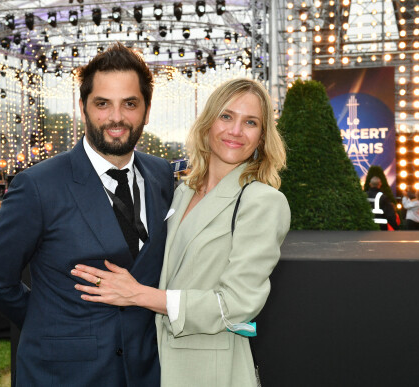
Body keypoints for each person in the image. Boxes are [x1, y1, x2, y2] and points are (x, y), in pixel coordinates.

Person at [0, 42, 175, 386]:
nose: (116, 118)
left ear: (146, 109)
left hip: (147, 370)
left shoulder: (162, 176)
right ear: (83, 107)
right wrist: (50, 322)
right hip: (62, 374)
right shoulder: (38, 185)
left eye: (129, 104)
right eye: (102, 104)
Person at [72, 78, 290, 387]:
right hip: (153, 364)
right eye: (226, 116)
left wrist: (137, 294)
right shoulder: (181, 191)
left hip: (210, 371)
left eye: (250, 122)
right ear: (207, 123)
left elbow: (237, 304)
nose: (236, 131)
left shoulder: (263, 202)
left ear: (262, 136)